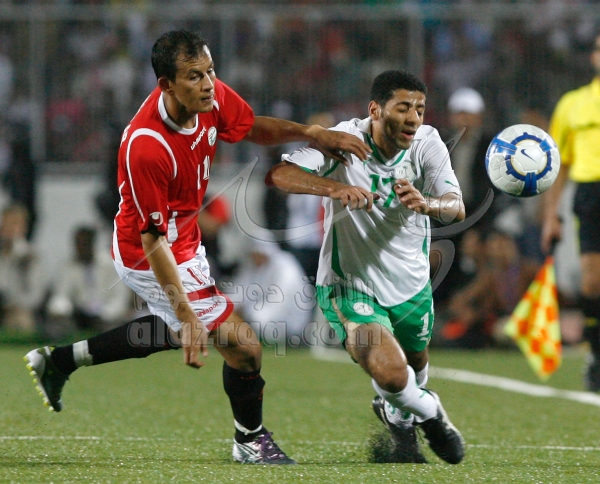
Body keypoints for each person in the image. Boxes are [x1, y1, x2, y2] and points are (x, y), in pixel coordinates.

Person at [24, 29, 370, 465]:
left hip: (183, 239)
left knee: (178, 329)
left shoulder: (208, 95)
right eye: (194, 76)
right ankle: (250, 441)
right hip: (148, 252)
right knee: (244, 347)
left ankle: (60, 361)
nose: (208, 84)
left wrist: (311, 134)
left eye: (210, 71)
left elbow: (249, 127)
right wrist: (187, 313)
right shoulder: (147, 146)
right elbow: (153, 239)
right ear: (166, 85)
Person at [266, 70, 466, 464]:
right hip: (350, 283)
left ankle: (399, 414)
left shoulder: (427, 143)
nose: (413, 118)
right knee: (391, 373)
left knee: (415, 363)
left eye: (420, 109)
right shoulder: (343, 140)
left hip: (410, 283)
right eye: (403, 107)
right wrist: (335, 187)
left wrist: (427, 204)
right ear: (375, 110)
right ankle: (431, 412)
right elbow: (282, 175)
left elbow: (455, 206)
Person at [541, 32, 600, 392]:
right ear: (593, 56)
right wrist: (551, 215)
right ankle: (596, 355)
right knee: (592, 282)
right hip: (590, 192)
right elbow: (558, 165)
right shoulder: (572, 104)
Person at [46, 226, 133, 334]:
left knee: (113, 330)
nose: (80, 247)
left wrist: (104, 315)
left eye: (84, 244)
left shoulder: (111, 265)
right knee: (56, 328)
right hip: (78, 316)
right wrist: (61, 310)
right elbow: (61, 295)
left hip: (107, 316)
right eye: (78, 244)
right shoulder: (67, 266)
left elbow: (120, 298)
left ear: (93, 243)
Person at [232, 233, 312, 342]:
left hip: (289, 320)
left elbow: (280, 301)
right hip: (260, 313)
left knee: (258, 321)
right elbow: (239, 291)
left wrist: (248, 312)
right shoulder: (252, 267)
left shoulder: (285, 266)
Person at [0, 203, 44, 333]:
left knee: (21, 319)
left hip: (17, 308)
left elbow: (35, 295)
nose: (8, 228)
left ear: (24, 227)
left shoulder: (30, 255)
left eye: (14, 223)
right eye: (6, 223)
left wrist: (14, 304)